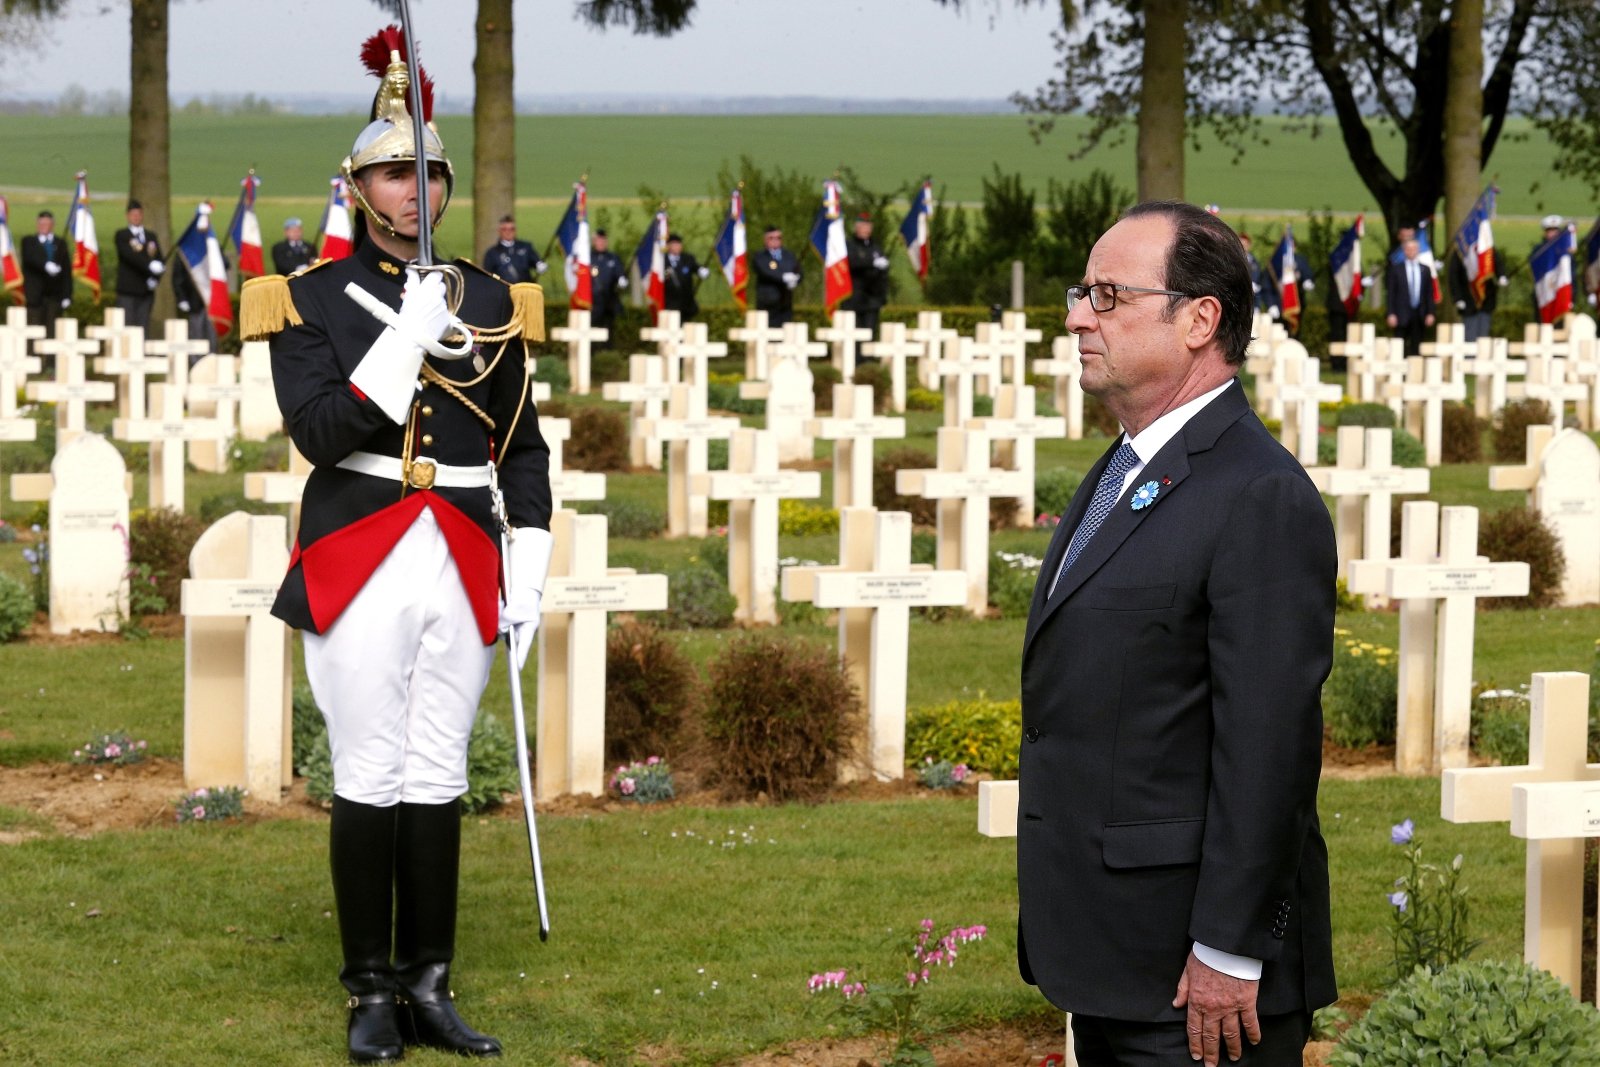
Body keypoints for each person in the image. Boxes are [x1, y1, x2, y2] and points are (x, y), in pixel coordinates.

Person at [241, 31, 552, 1064]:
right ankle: (367, 990)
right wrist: (401, 340)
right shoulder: (312, 298)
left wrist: (532, 560)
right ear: (357, 185)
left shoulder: (495, 299)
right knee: (369, 763)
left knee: (438, 766)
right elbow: (321, 433)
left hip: (463, 548)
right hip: (361, 544)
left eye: (428, 172)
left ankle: (430, 984)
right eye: (391, 171)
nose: (412, 189)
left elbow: (525, 447)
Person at [1018, 200, 1336, 1067]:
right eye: (1082, 291)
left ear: (1200, 319)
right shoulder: (1125, 467)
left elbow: (1269, 740)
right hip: (1112, 957)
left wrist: (1233, 949)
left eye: (1109, 294)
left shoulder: (1256, 493)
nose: (1079, 314)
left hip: (1202, 989)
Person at [113, 199, 165, 329]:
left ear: (142, 215)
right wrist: (149, 266)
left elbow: (159, 258)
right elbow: (131, 257)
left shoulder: (150, 236)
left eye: (138, 214)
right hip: (128, 290)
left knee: (143, 326)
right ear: (127, 216)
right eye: (133, 214)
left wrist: (156, 278)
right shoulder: (122, 235)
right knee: (127, 327)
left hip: (146, 291)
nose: (136, 217)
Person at [20, 210, 73, 333]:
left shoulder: (60, 243)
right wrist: (46, 265)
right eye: (41, 223)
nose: (43, 226)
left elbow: (66, 272)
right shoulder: (29, 242)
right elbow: (30, 258)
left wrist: (67, 295)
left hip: (54, 296)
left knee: (52, 332)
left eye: (46, 224)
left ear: (52, 225)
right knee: (34, 332)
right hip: (35, 297)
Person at [1385, 237, 1436, 356]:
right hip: (1401, 314)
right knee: (1399, 346)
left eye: (1414, 249)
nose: (1411, 251)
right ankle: (1399, 371)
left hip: (1419, 314)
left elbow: (1429, 293)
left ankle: (1415, 371)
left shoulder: (1425, 269)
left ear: (1418, 250)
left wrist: (1431, 313)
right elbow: (1391, 293)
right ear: (1404, 251)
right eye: (1409, 249)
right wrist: (1391, 313)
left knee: (1417, 345)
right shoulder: (1396, 270)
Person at [844, 212, 890, 332]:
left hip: (872, 301)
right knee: (853, 334)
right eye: (863, 226)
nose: (866, 229)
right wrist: (871, 262)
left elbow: (883, 275)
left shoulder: (875, 248)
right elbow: (852, 262)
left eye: (868, 226)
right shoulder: (849, 245)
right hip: (853, 299)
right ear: (856, 228)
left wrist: (882, 297)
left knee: (869, 335)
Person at [1446, 245, 1501, 344]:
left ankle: (1482, 358)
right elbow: (1453, 277)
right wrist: (1457, 298)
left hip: (1486, 300)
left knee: (1483, 337)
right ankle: (1470, 359)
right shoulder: (1460, 251)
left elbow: (1496, 263)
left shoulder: (1487, 247)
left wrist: (1501, 275)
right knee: (1470, 338)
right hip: (1468, 301)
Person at [752, 225, 801, 327]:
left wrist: (796, 279)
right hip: (768, 304)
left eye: (778, 238)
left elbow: (798, 270)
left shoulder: (789, 255)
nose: (775, 241)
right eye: (771, 238)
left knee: (786, 334)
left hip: (785, 303)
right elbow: (766, 271)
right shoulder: (760, 256)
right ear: (765, 240)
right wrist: (784, 277)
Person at [482, 214, 545, 285]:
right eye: (504, 229)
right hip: (502, 290)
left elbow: (535, 261)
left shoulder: (525, 247)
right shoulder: (492, 253)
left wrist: (539, 264)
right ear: (499, 231)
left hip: (524, 288)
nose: (508, 232)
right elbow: (487, 275)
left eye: (511, 229)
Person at [589, 227, 627, 342]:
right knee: (592, 332)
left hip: (609, 302)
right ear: (594, 242)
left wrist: (622, 280)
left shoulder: (613, 258)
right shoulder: (588, 258)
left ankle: (607, 355)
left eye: (603, 240)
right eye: (598, 240)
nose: (601, 243)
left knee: (608, 333)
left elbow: (620, 274)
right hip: (592, 303)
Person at [663, 232, 707, 320]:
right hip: (669, 303)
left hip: (686, 304)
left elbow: (696, 267)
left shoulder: (687, 258)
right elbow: (662, 277)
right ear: (668, 246)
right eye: (674, 244)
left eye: (679, 244)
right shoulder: (662, 260)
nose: (677, 247)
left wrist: (701, 270)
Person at [1238, 233, 1270, 315]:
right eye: (1241, 244)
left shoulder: (1254, 262)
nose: (1244, 247)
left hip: (1253, 300)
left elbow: (1259, 279)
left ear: (1249, 245)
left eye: (1246, 244)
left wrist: (1257, 285)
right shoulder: (1233, 261)